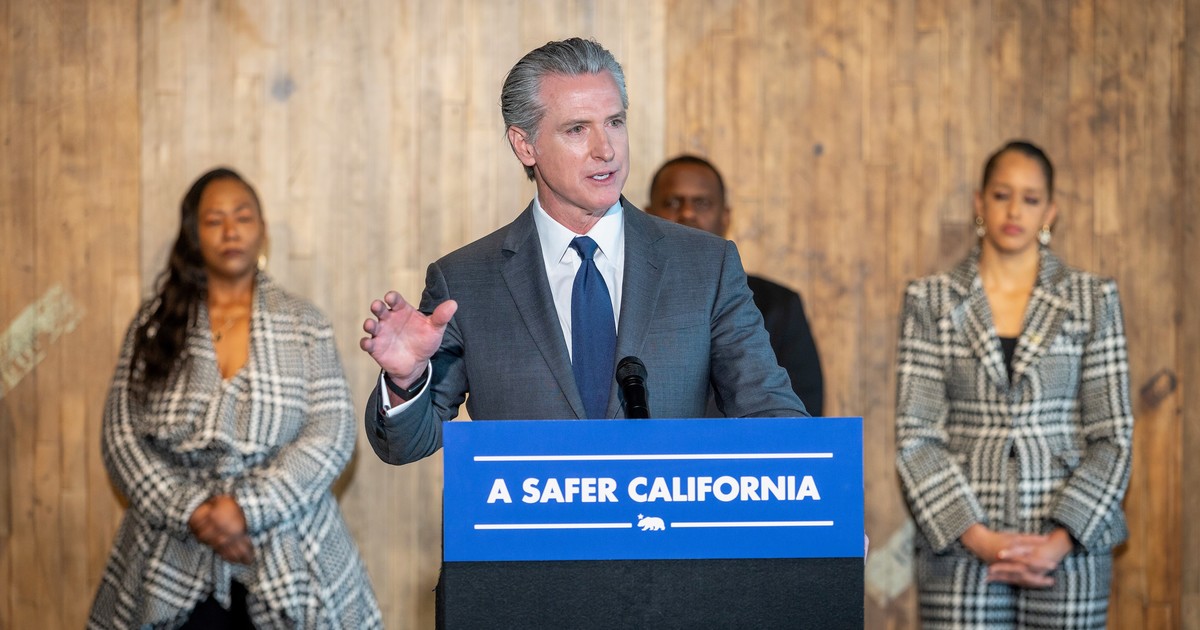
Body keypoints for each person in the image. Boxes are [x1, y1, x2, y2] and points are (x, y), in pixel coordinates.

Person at [360, 37, 807, 467]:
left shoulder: (705, 266)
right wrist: (405, 381)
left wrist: (818, 495)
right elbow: (406, 445)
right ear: (525, 145)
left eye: (615, 122)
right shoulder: (465, 281)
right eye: (577, 129)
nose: (606, 150)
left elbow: (769, 411)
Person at [89, 168, 382, 629]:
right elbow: (120, 437)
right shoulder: (154, 323)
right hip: (170, 551)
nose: (230, 230)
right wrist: (193, 512)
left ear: (261, 229)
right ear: (194, 234)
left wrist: (245, 509)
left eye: (242, 217)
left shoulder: (305, 323)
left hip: (289, 542)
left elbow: (332, 435)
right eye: (214, 220)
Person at [894, 140, 1133, 628]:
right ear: (979, 203)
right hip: (960, 548)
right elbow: (916, 435)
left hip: (1071, 547)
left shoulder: (1092, 298)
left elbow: (1113, 436)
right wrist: (979, 538)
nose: (1014, 211)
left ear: (1050, 211)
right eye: (1002, 195)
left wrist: (1060, 540)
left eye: (1030, 198)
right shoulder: (931, 299)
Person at [646, 155, 824, 416]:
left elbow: (800, 410)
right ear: (647, 216)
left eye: (702, 203)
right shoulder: (628, 298)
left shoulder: (780, 305)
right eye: (672, 202)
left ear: (726, 217)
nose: (687, 213)